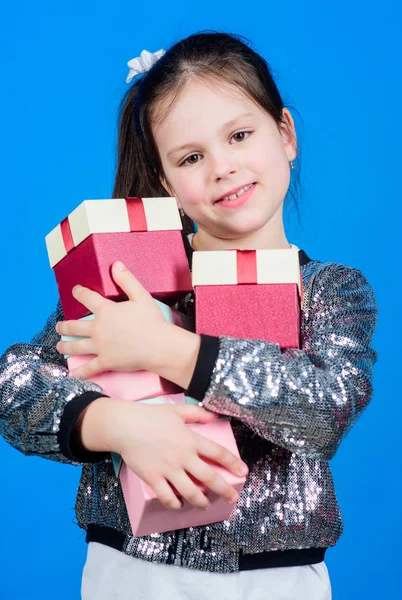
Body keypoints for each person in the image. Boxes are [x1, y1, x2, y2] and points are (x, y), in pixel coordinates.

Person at [0, 32, 378, 600]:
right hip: (128, 571)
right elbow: (16, 387)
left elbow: (324, 409)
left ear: (286, 134)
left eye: (241, 135)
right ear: (165, 183)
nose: (223, 167)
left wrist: (166, 349)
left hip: (279, 580)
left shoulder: (330, 290)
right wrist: (119, 427)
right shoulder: (129, 277)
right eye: (192, 157)